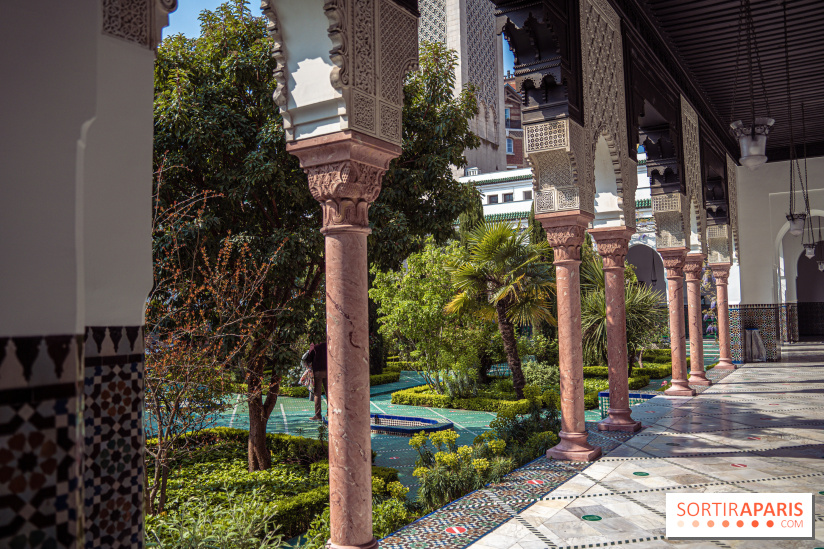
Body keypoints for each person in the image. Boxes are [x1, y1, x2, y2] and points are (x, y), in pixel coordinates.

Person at [305, 341, 327, 420]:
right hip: (328, 370)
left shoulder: (314, 344)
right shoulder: (327, 342)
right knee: (328, 392)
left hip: (317, 371)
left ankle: (318, 415)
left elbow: (309, 358)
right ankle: (330, 412)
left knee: (317, 393)